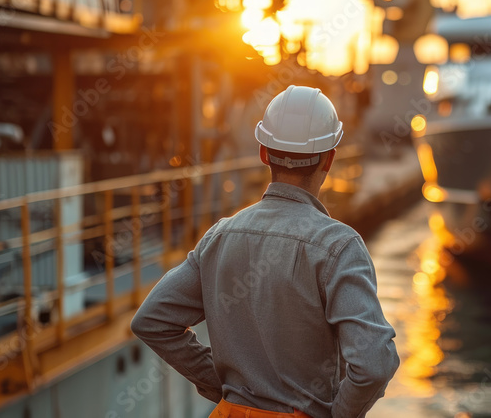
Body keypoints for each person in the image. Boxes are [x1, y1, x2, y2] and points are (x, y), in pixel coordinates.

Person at [131, 85, 399, 418]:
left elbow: (152, 320)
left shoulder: (220, 236)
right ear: (330, 158)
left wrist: (224, 389)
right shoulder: (339, 247)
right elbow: (374, 364)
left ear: (263, 153)